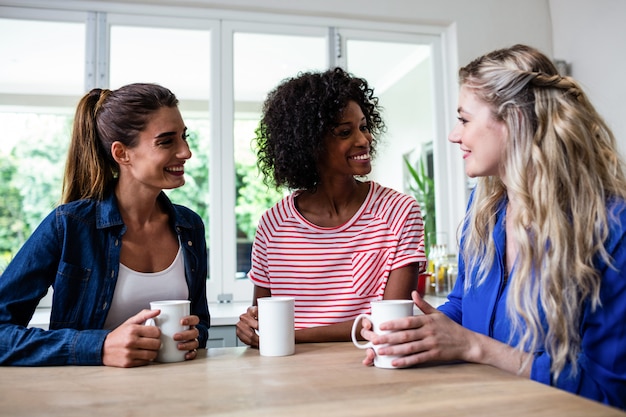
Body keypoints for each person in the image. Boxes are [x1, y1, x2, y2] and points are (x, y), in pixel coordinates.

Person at [358, 44, 626, 409]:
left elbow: (609, 390)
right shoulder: (486, 209)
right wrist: (412, 333)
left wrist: (474, 346)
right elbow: (462, 306)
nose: (454, 135)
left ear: (514, 119)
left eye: (464, 120)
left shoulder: (611, 227)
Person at [0, 83, 210, 367]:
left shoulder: (189, 226)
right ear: (122, 153)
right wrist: (99, 347)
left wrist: (195, 335)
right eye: (166, 141)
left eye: (185, 137)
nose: (186, 152)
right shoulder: (69, 226)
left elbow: (200, 323)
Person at [235, 67, 427, 347]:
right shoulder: (273, 225)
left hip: (370, 369)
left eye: (363, 126)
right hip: (287, 376)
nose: (364, 140)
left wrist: (290, 336)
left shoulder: (398, 212)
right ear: (309, 143)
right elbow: (262, 321)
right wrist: (249, 326)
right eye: (345, 132)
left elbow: (391, 323)